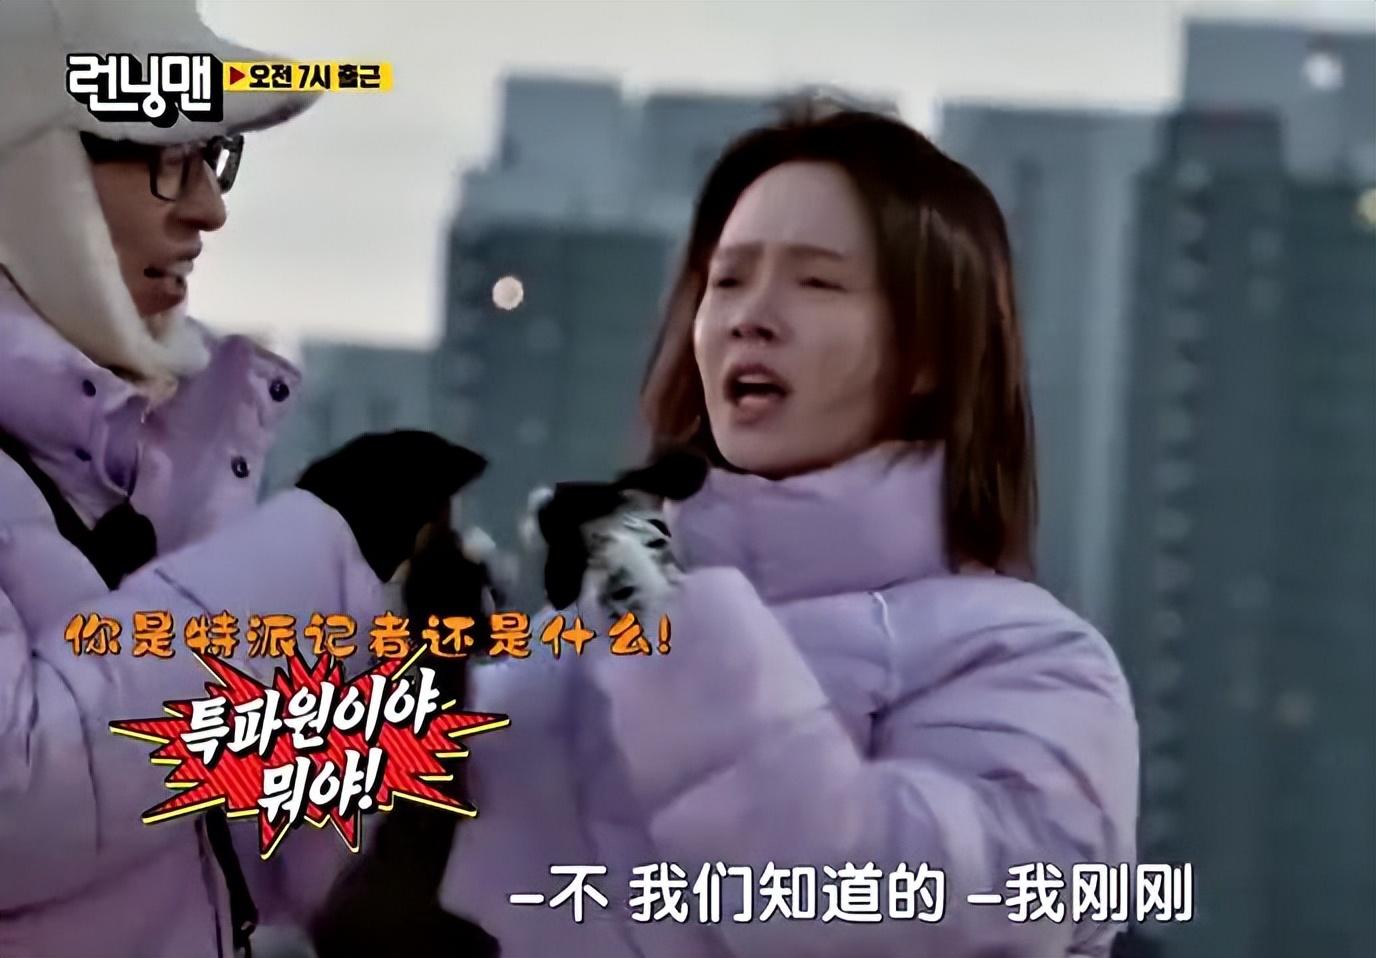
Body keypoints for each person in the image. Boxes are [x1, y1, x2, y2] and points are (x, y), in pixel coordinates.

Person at [439, 101, 1139, 957]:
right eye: (728, 281)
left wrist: (664, 624)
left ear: (928, 355)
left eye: (816, 283)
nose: (751, 317)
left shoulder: (1029, 665)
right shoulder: (583, 646)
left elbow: (872, 910)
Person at [0, 2, 482, 956]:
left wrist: (405, 680)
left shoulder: (148, 465)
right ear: (30, 171)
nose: (208, 208)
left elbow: (268, 860)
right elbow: (19, 808)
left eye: (213, 156)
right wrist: (316, 545)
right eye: (165, 157)